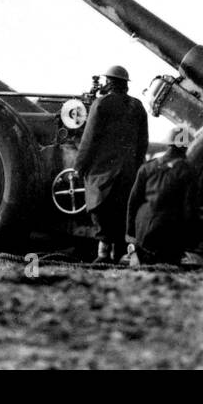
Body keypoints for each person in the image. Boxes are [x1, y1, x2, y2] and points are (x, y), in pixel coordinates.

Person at [74, 65, 149, 262]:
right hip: (128, 171)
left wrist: (79, 167)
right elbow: (143, 142)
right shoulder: (138, 106)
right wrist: (136, 166)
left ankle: (103, 254)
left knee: (99, 208)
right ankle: (118, 254)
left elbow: (88, 139)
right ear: (125, 85)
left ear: (109, 83)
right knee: (121, 211)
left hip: (103, 169)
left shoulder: (101, 104)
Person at [125, 126, 201, 266]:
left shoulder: (147, 167)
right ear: (186, 147)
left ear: (168, 144)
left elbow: (133, 202)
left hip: (143, 233)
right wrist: (191, 241)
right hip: (168, 236)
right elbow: (190, 209)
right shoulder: (188, 171)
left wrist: (131, 234)